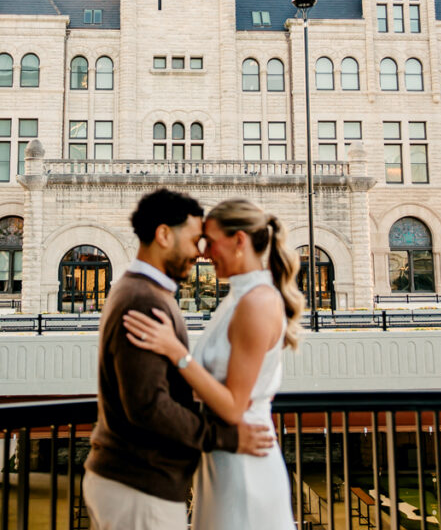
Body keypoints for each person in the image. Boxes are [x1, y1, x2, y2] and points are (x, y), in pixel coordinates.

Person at [83, 189, 275, 530]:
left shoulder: (145, 292)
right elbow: (148, 407)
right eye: (194, 240)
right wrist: (225, 437)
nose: (199, 253)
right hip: (139, 486)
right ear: (163, 235)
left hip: (141, 483)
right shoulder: (143, 300)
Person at [123, 197, 303, 530]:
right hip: (222, 459)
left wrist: (175, 351)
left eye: (210, 241)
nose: (203, 252)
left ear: (239, 241)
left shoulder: (257, 302)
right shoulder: (238, 298)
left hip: (245, 465)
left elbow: (234, 407)